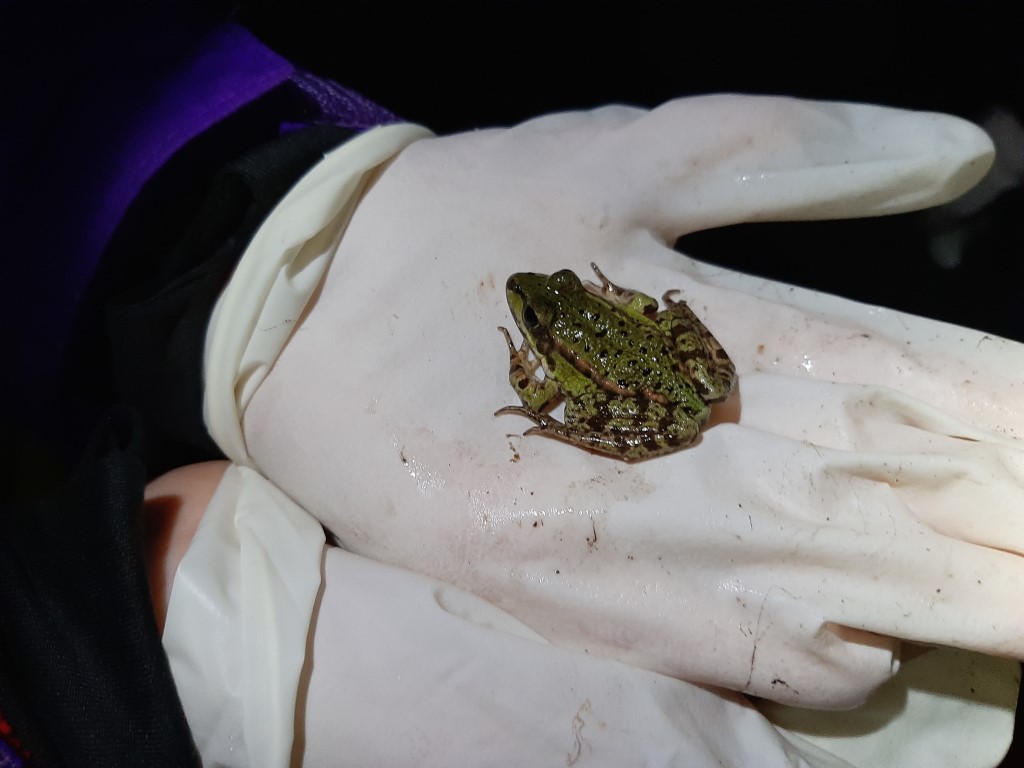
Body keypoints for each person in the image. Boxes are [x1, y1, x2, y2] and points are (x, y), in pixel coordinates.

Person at [2, 6, 1021, 768]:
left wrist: (222, 215)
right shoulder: (565, 312)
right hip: (647, 359)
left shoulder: (547, 335)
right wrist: (79, 682)